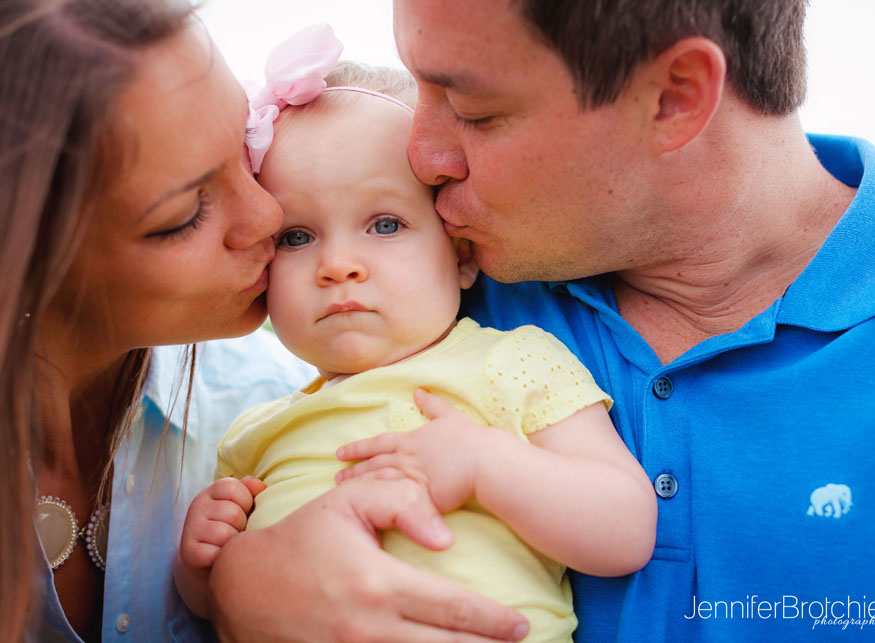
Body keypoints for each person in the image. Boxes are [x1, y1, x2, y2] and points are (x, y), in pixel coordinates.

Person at [208, 0, 875, 640]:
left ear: (674, 96)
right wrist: (238, 581)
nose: (422, 155)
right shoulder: (429, 296)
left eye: (473, 109)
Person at [3, 2, 531, 641]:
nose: (267, 218)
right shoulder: (256, 438)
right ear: (29, 261)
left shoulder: (268, 396)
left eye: (245, 151)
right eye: (184, 216)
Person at [173, 29, 656, 642]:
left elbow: (625, 531)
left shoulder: (510, 361)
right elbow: (228, 609)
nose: (337, 264)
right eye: (297, 236)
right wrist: (202, 566)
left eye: (384, 223)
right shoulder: (252, 432)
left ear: (459, 253)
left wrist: (487, 464)